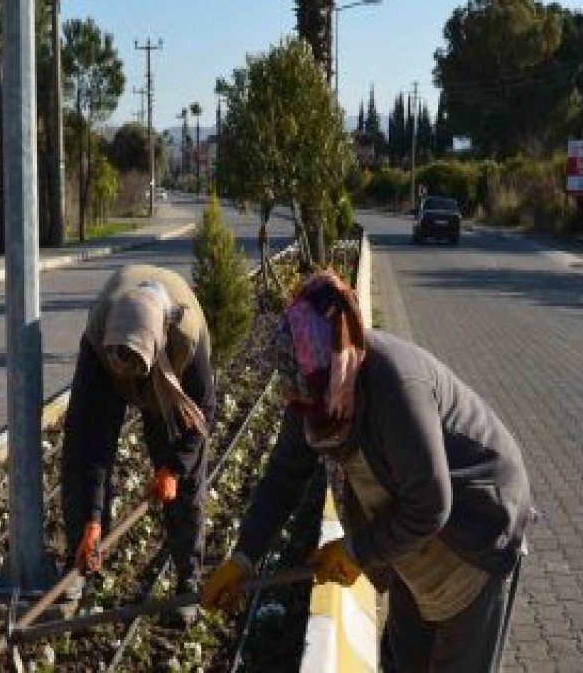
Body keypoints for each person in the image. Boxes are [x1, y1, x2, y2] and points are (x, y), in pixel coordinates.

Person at [203, 272, 532, 672]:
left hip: (475, 528)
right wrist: (244, 556)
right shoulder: (310, 392)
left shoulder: (394, 386)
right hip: (414, 537)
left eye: (305, 394)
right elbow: (284, 478)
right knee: (406, 660)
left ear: (335, 366)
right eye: (293, 394)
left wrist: (356, 550)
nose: (297, 403)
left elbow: (430, 503)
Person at [61, 264, 216, 623]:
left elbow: (203, 415)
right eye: (121, 367)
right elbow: (90, 440)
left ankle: (187, 583)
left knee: (185, 485)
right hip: (116, 353)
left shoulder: (186, 340)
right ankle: (84, 563)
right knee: (78, 463)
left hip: (169, 380)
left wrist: (174, 468)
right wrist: (91, 519)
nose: (126, 373)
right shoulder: (99, 340)